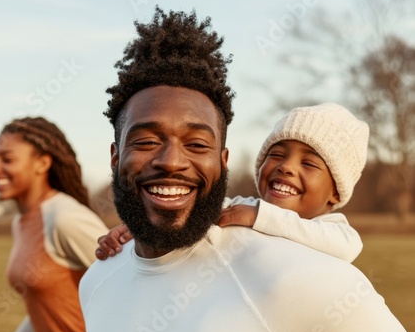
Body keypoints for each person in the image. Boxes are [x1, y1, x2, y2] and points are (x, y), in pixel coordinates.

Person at [79, 6, 415, 332]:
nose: (171, 160)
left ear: (222, 161)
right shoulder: (97, 281)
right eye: (147, 140)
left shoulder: (308, 281)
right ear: (115, 156)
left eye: (196, 143)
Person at [96, 102, 367, 265]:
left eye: (308, 164)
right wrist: (135, 228)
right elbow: (186, 213)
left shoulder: (332, 230)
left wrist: (262, 217)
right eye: (276, 155)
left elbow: (347, 247)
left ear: (335, 192)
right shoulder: (239, 208)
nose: (286, 167)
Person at [0, 117, 108, 332]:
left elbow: (127, 281)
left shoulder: (65, 218)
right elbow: (44, 311)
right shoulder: (22, 223)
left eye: (7, 159)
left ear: (42, 163)